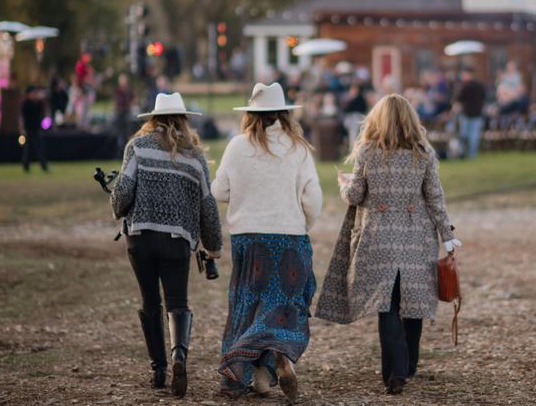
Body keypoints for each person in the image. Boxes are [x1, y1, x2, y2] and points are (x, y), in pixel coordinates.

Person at [316, 94, 462, 395]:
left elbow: (355, 196)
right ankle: (407, 367)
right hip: (416, 238)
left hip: (378, 238)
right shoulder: (423, 153)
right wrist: (447, 235)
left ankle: (395, 373)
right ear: (411, 119)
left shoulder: (368, 152)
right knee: (413, 303)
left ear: (377, 120)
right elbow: (435, 198)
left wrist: (344, 186)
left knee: (388, 305)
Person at [211, 82, 322, 402]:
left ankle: (243, 376)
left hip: (249, 238)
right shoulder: (298, 148)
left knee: (249, 305)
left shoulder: (236, 146)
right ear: (285, 115)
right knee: (284, 307)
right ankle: (275, 362)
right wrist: (302, 226)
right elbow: (312, 198)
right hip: (290, 237)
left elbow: (219, 192)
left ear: (251, 114)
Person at [110, 92, 223, 397]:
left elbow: (122, 194)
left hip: (140, 238)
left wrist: (115, 208)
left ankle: (158, 370)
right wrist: (214, 246)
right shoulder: (195, 156)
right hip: (176, 240)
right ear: (184, 121)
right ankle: (179, 357)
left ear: (153, 119)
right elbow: (207, 206)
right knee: (177, 303)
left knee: (150, 302)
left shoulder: (137, 147)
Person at [453, 68, 486, 159]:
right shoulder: (479, 85)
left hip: (467, 114)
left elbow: (458, 99)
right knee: (473, 136)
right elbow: (484, 97)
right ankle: (471, 155)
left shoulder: (464, 87)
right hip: (476, 113)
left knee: (465, 135)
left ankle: (464, 153)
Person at [20, 86, 49, 172]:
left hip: (36, 129)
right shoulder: (25, 104)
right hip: (28, 129)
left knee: (40, 148)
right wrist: (22, 129)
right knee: (27, 149)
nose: (35, 95)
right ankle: (26, 166)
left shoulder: (39, 103)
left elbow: (43, 113)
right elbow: (22, 117)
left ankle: (43, 166)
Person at [113, 73, 134, 149]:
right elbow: (117, 102)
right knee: (120, 134)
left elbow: (133, 99)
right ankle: (120, 150)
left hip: (127, 113)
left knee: (128, 132)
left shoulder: (128, 90)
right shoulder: (118, 91)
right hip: (120, 113)